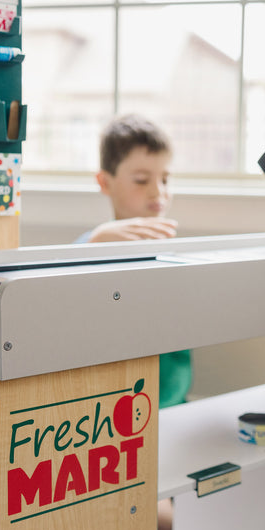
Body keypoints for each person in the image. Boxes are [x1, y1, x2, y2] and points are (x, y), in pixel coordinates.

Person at [76, 114, 192, 409]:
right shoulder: (94, 245)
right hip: (107, 413)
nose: (158, 192)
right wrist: (96, 243)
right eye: (141, 180)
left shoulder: (177, 255)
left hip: (171, 405)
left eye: (165, 179)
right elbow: (57, 293)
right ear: (105, 182)